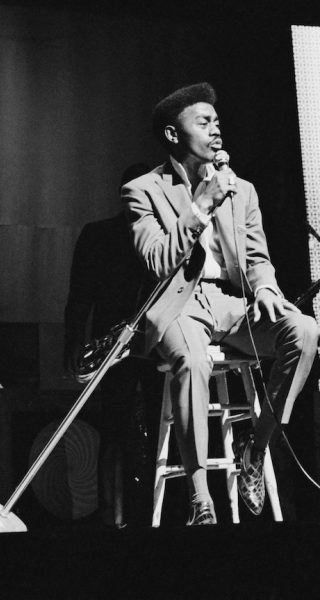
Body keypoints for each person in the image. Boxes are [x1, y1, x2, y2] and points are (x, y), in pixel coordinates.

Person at [122, 82, 319, 525]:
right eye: (204, 122)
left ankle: (257, 446)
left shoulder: (242, 190)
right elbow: (156, 261)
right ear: (174, 134)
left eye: (218, 123)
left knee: (305, 331)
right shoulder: (143, 190)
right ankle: (199, 496)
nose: (216, 131)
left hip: (230, 302)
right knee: (192, 362)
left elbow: (256, 258)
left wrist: (266, 287)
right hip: (178, 303)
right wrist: (198, 207)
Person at [64, 163, 163, 528]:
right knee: (115, 429)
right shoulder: (98, 234)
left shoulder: (162, 236)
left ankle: (155, 515)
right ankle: (113, 521)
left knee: (159, 425)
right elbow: (79, 295)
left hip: (157, 343)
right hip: (114, 345)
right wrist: (74, 341)